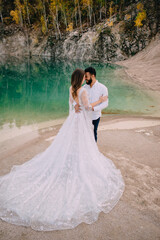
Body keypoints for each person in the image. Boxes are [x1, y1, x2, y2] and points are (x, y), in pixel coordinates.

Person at [0, 69, 125, 231]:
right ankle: (80, 163)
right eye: (83, 77)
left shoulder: (71, 89)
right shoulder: (82, 90)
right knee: (83, 142)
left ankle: (72, 159)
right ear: (81, 78)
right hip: (81, 120)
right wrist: (99, 101)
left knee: (70, 142)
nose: (85, 78)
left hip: (73, 118)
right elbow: (86, 107)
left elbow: (73, 104)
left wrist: (76, 105)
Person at [74, 67, 108, 142]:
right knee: (83, 134)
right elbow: (76, 99)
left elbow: (105, 103)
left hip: (95, 116)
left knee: (93, 134)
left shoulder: (103, 88)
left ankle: (94, 151)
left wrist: (94, 109)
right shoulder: (83, 88)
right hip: (84, 116)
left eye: (86, 76)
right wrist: (75, 105)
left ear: (93, 76)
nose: (85, 78)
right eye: (84, 76)